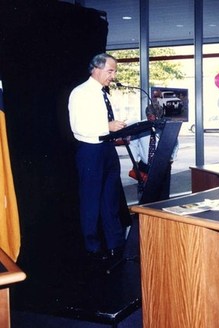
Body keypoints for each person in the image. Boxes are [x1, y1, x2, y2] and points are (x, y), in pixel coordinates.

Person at [68, 53, 126, 260]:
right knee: (91, 201)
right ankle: (92, 247)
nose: (113, 75)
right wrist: (107, 127)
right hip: (90, 151)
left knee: (110, 200)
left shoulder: (105, 94)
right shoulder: (80, 93)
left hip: (108, 150)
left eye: (114, 71)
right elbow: (78, 127)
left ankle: (115, 244)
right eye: (110, 70)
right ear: (96, 69)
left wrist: (117, 130)